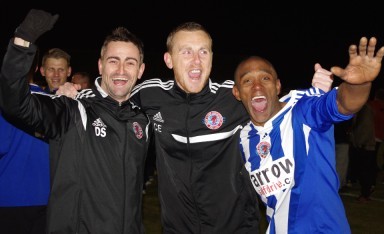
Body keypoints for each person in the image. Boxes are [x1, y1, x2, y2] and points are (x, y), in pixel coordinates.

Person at [58, 21, 332, 233]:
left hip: (236, 228)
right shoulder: (151, 95)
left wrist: (314, 92)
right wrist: (73, 92)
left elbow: (276, 103)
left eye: (203, 52)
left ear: (212, 57)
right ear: (169, 60)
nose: (196, 61)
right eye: (185, 52)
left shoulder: (233, 97)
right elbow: (112, 94)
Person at [0, 9, 150, 233]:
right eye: (113, 61)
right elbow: (15, 104)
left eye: (130, 63)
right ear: (100, 65)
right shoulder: (75, 108)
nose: (121, 70)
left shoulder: (142, 120)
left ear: (140, 70)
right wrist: (23, 40)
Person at [232, 36, 384, 233]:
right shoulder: (243, 137)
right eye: (247, 81)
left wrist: (360, 84)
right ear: (237, 92)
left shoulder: (303, 111)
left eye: (265, 78)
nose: (257, 87)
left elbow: (342, 105)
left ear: (278, 86)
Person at [0, 49, 50, 234]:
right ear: (37, 68)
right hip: (45, 195)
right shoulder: (51, 101)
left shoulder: (4, 101)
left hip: (9, 195)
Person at [348, 103, 376, 202]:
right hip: (363, 145)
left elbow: (364, 128)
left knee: (365, 171)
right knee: (364, 170)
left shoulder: (364, 110)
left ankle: (365, 193)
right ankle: (366, 191)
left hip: (365, 146)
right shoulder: (362, 109)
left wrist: (358, 143)